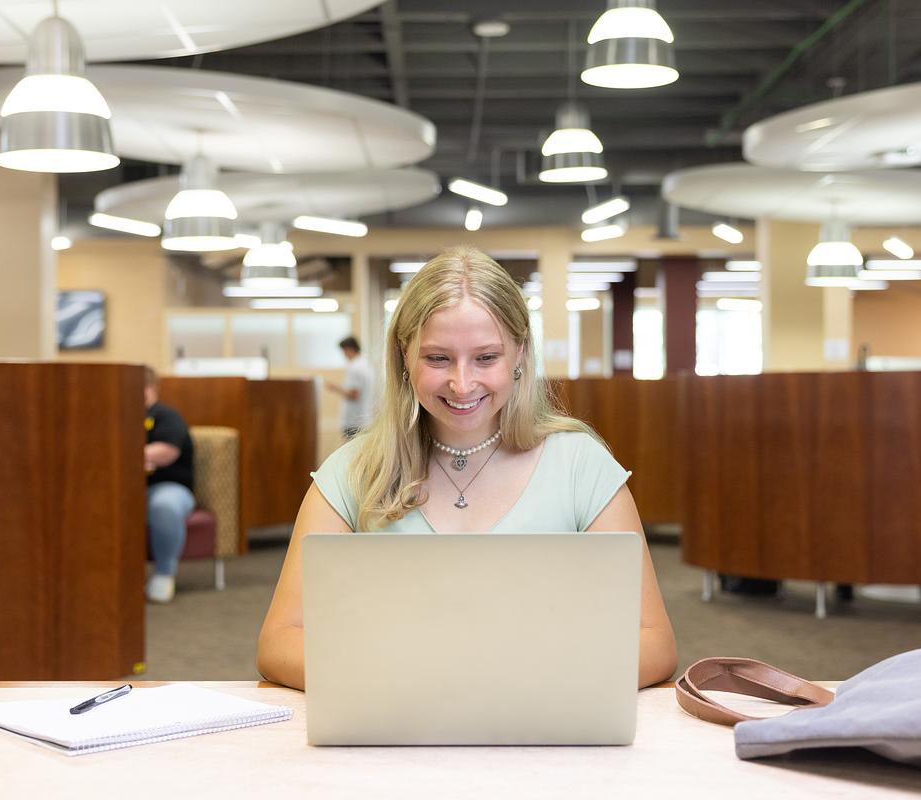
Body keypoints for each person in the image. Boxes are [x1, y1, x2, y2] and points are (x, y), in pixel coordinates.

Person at [257, 246, 678, 690]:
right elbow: (279, 642)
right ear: (404, 356)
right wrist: (415, 680)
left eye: (485, 358)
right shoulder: (353, 471)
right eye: (438, 358)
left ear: (519, 353)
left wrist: (512, 680)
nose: (462, 383)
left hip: (542, 732)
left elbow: (653, 642)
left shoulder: (580, 466)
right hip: (396, 731)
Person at [143, 366, 196, 604]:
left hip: (168, 486)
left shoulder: (166, 417)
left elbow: (166, 452)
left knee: (164, 506)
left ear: (150, 387)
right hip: (126, 490)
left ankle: (164, 574)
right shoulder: (118, 416)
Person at [325, 335, 373, 440]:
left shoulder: (355, 367)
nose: (344, 355)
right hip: (363, 419)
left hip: (354, 421)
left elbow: (353, 394)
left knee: (352, 454)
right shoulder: (365, 364)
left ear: (349, 349)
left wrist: (335, 387)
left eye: (343, 351)